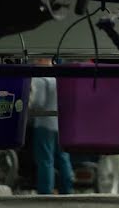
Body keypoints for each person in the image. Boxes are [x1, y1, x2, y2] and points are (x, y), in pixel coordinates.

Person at [29, 61, 73, 195]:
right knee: (63, 158)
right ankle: (67, 190)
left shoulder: (41, 79)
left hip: (45, 124)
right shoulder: (58, 77)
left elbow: (38, 102)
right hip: (61, 125)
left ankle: (45, 192)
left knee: (45, 160)